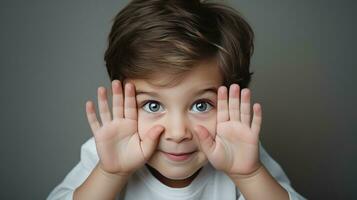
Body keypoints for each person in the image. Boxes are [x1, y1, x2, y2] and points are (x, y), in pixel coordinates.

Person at [48, 0, 306, 199]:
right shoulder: (107, 155)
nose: (178, 132)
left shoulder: (239, 155)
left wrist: (249, 175)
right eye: (152, 105)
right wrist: (110, 174)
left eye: (201, 105)